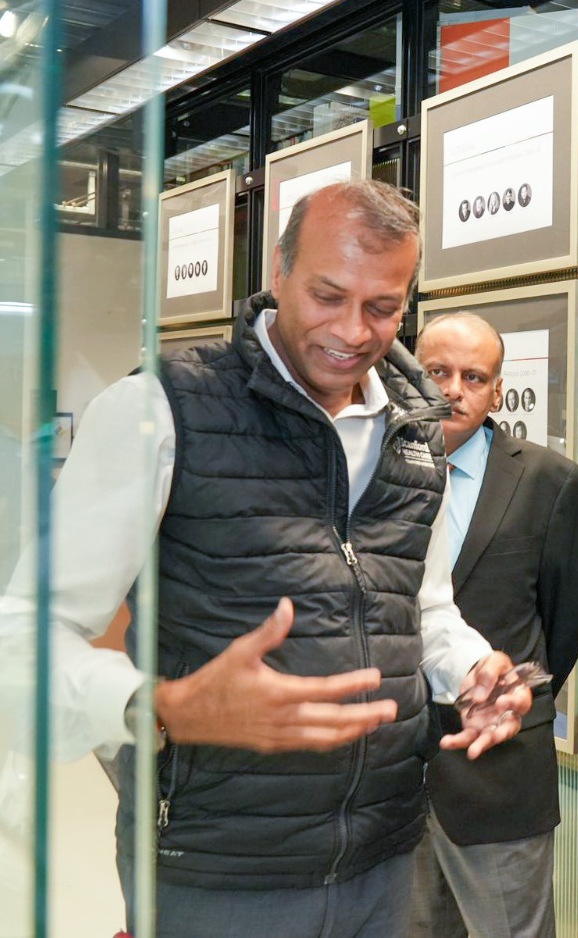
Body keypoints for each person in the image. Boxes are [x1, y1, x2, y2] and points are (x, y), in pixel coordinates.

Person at [35, 180, 531, 937]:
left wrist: (471, 670)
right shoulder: (160, 409)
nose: (352, 330)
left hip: (388, 863)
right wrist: (160, 705)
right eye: (327, 295)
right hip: (219, 871)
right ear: (278, 270)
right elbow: (31, 635)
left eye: (383, 307)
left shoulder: (415, 432)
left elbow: (421, 608)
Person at [408, 312, 578, 938]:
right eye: (437, 372)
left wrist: (516, 692)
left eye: (473, 376)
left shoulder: (548, 480)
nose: (452, 390)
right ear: (409, 372)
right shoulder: (374, 472)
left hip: (499, 771)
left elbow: (567, 621)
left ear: (496, 390)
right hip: (391, 773)